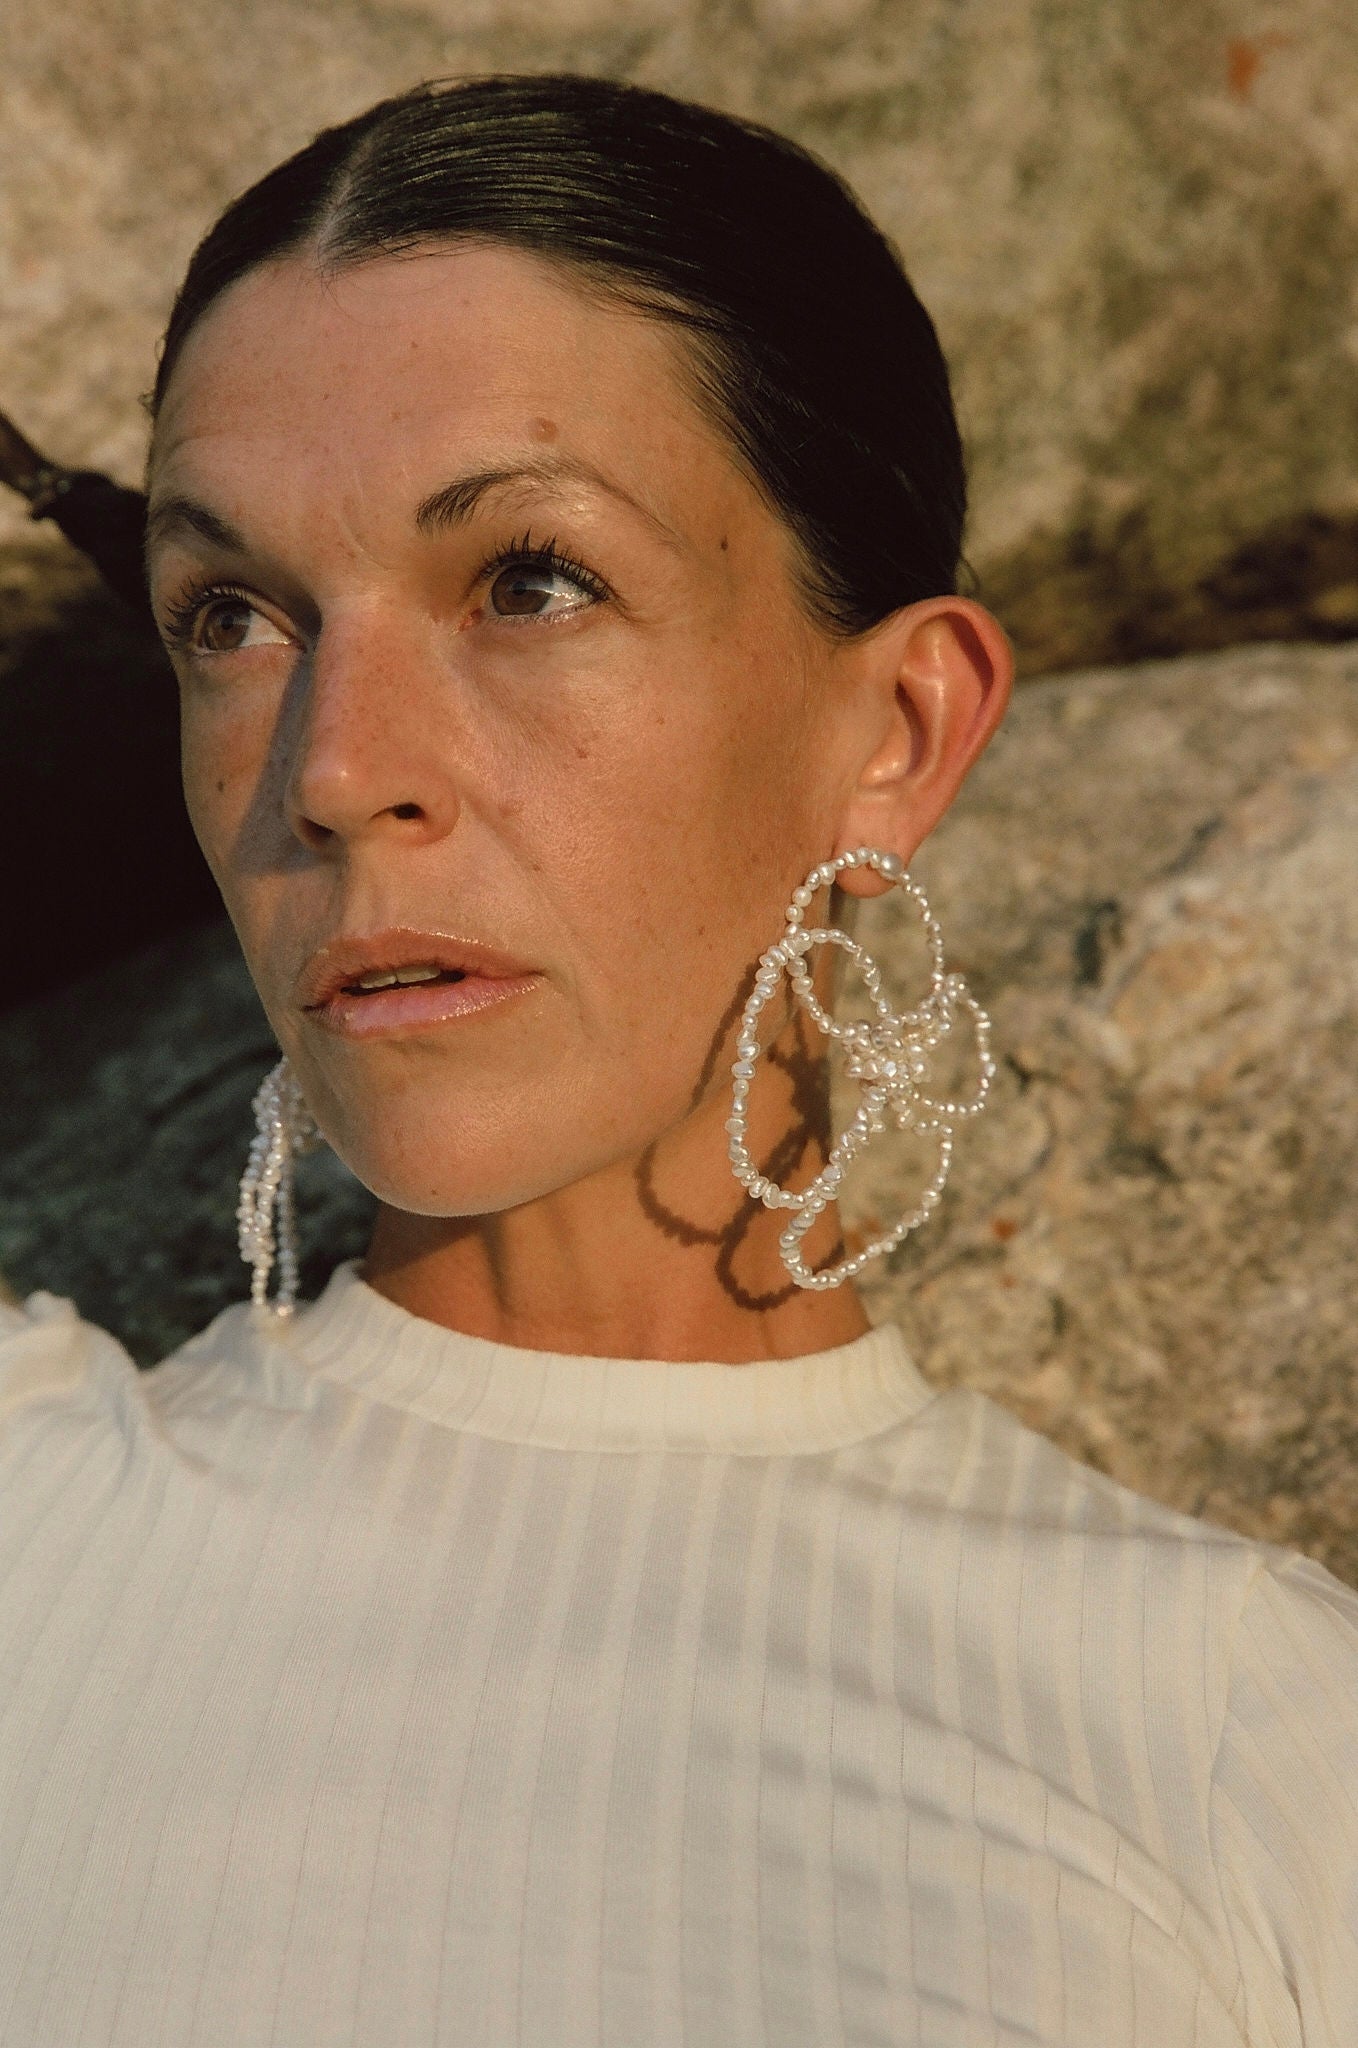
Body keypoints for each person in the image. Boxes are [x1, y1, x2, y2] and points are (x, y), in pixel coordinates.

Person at [1, 73, 1354, 2048]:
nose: (340, 769)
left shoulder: (1238, 1733)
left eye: (529, 580)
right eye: (235, 613)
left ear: (895, 724)